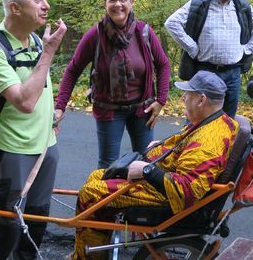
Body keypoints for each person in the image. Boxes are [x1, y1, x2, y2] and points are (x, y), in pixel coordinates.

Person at [70, 70, 239, 260]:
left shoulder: (208, 141)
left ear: (201, 100)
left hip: (167, 196)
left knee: (90, 193)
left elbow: (186, 190)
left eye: (187, 95)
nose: (183, 98)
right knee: (97, 176)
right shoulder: (222, 121)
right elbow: (186, 150)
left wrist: (146, 170)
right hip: (167, 182)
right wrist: (160, 147)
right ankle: (96, 245)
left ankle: (86, 257)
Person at [0, 0, 67, 259]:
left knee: (37, 220)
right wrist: (49, 53)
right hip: (14, 148)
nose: (46, 5)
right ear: (14, 8)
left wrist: (51, 118)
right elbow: (25, 102)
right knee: (4, 224)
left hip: (46, 146)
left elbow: (40, 89)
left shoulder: (37, 40)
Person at [55, 0, 170, 168]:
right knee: (109, 167)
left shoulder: (144, 33)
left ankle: (139, 199)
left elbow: (163, 64)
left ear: (132, 3)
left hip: (142, 110)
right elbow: (73, 70)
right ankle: (107, 198)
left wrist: (161, 100)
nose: (118, 5)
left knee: (148, 162)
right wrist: (60, 106)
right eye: (112, 0)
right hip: (109, 110)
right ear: (105, 4)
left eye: (123, 0)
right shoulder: (95, 35)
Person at [164, 0, 253, 118]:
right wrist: (192, 48)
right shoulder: (199, 3)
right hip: (205, 72)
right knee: (197, 119)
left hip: (233, 74)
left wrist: (247, 48)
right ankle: (194, 144)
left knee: (227, 120)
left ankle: (223, 144)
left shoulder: (242, 6)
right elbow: (171, 23)